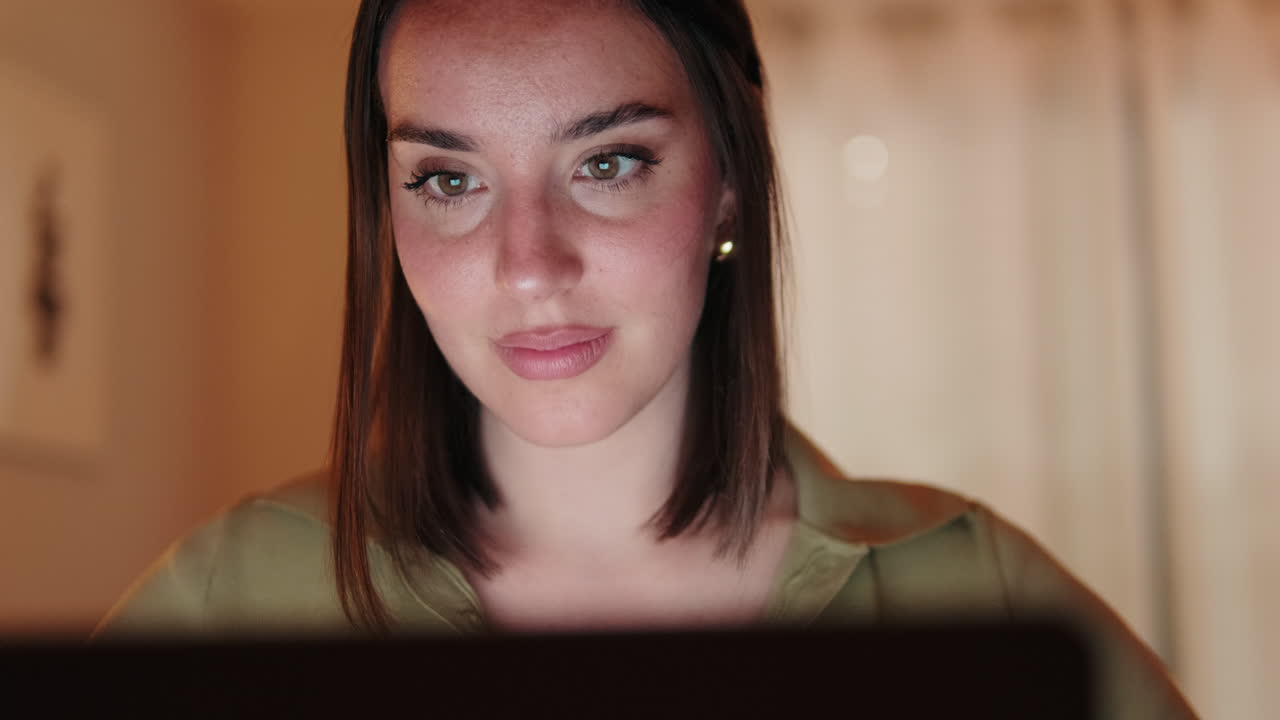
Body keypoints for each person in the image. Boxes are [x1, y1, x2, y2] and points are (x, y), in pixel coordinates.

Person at [95, 0, 1197, 716]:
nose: (529, 266)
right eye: (446, 179)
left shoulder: (975, 597)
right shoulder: (226, 598)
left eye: (608, 162)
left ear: (727, 180)